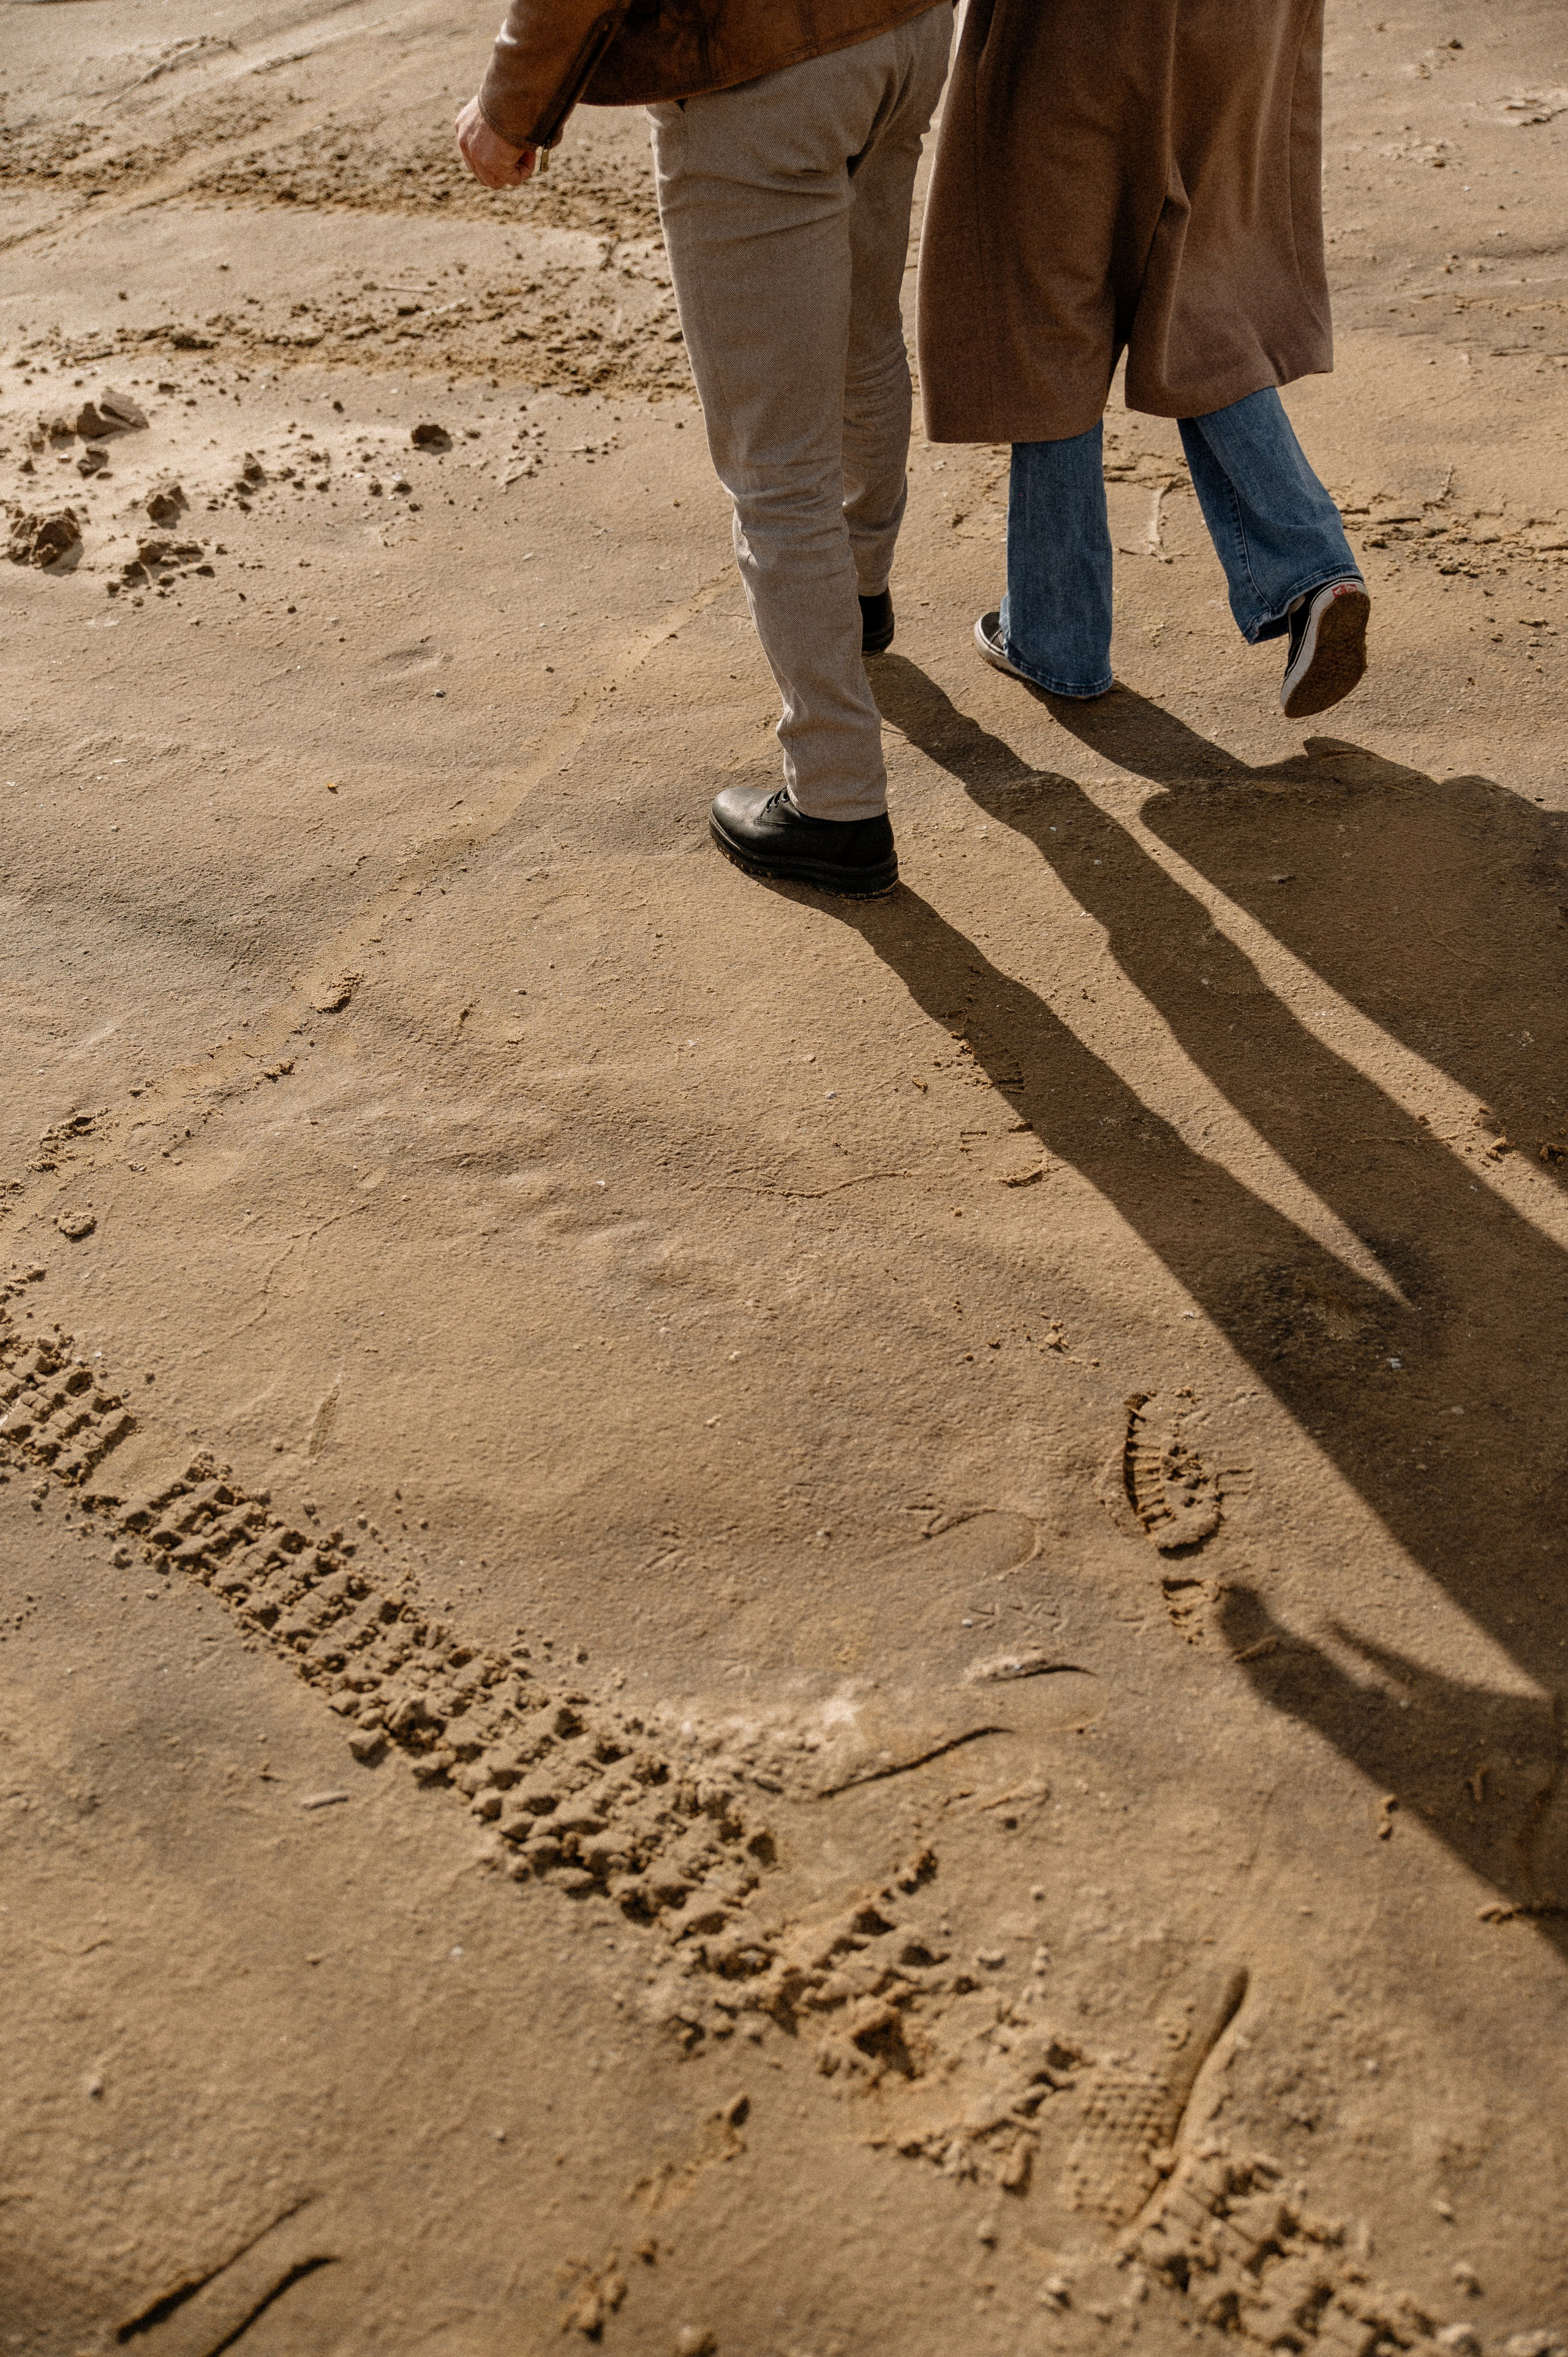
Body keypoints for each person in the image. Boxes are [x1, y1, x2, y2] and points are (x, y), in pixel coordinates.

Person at [457, 0, 954, 899]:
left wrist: (510, 110)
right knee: (864, 337)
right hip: (903, 32)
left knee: (776, 463)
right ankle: (859, 591)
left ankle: (838, 801)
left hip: (756, 74)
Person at [917, 0, 1369, 722]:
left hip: (1081, 29)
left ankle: (1056, 635)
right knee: (1201, 285)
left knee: (1051, 304)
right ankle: (1312, 572)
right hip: (1245, 25)